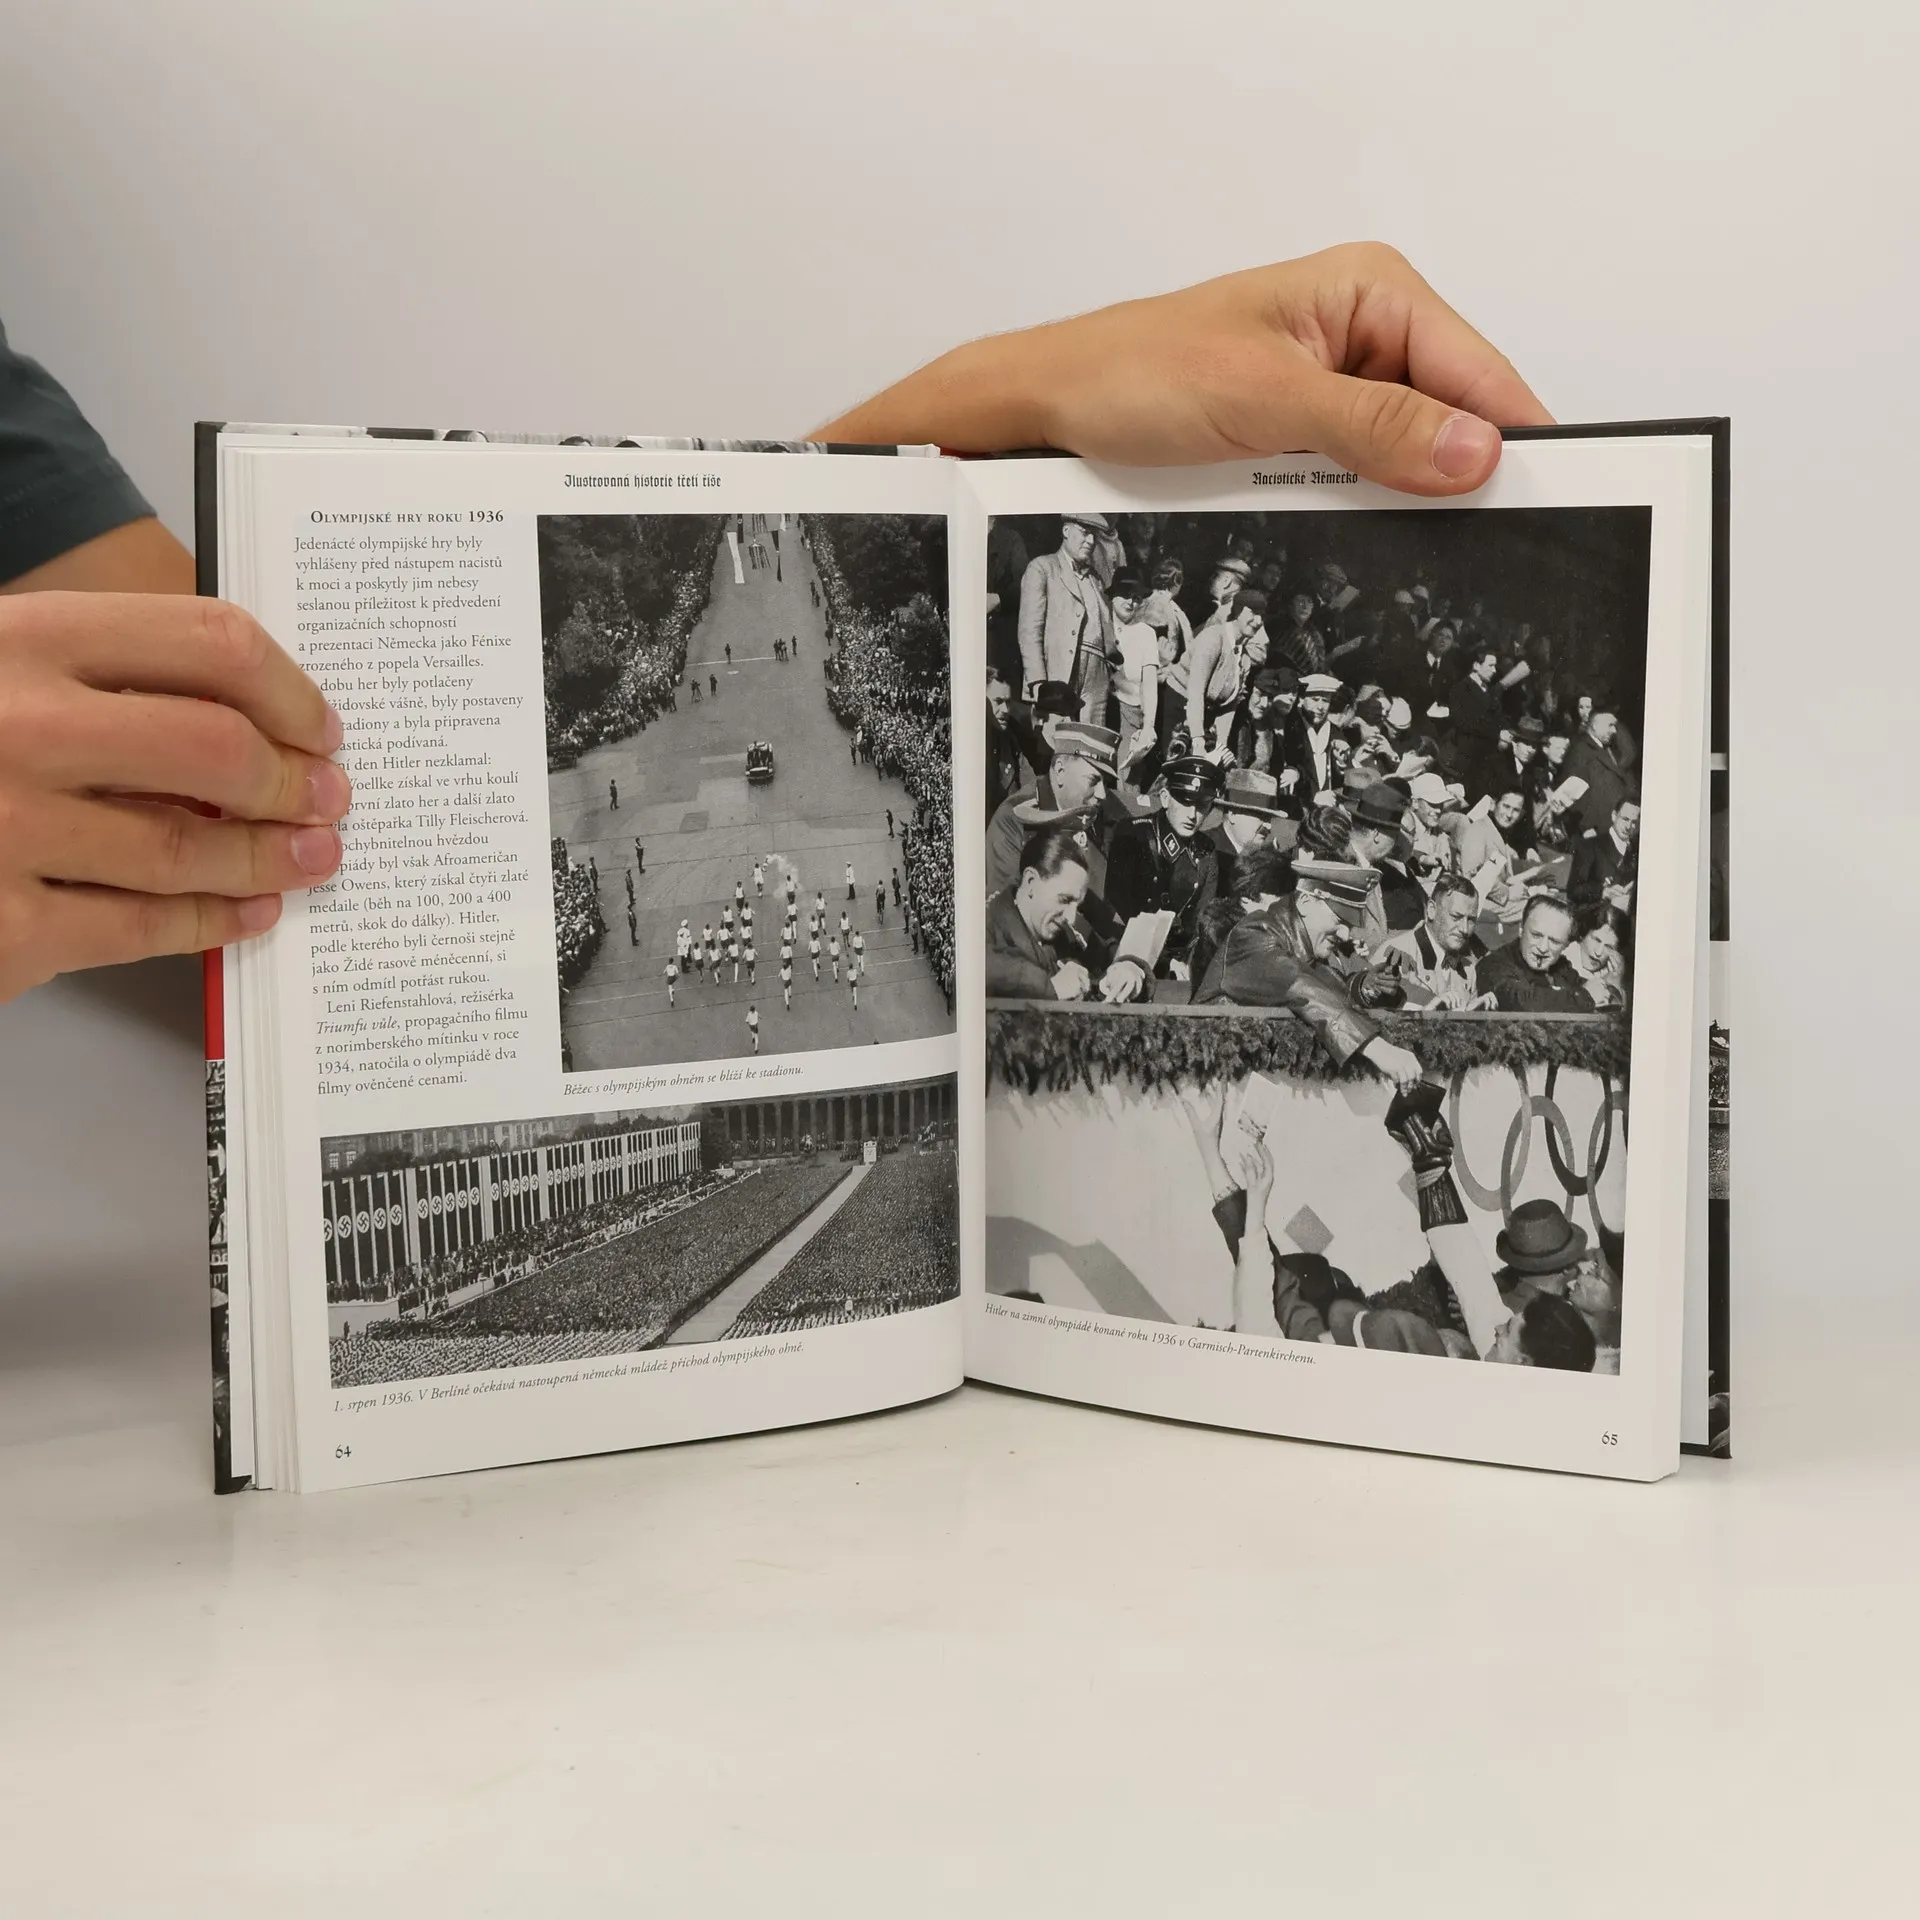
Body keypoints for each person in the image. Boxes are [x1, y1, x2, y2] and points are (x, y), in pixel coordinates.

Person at [1194, 855, 1424, 1087]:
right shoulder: (1254, 934)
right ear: (1305, 902)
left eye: (1350, 925)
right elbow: (1301, 988)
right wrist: (1379, 1050)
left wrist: (1367, 986)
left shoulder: (1299, 946)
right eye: (1338, 919)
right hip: (1205, 1080)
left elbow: (1327, 989)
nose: (1345, 935)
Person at [985, 821, 1150, 1003]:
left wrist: (1129, 971)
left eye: (1077, 905)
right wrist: (1049, 987)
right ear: (1031, 882)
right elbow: (975, 966)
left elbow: (1104, 969)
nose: (1071, 919)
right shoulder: (983, 924)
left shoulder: (1064, 936)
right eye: (1064, 900)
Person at [1103, 755, 1222, 981]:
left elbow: (1203, 922)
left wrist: (1192, 964)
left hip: (1183, 967)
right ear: (1166, 798)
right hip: (1132, 962)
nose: (1192, 815)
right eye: (1185, 802)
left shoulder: (1205, 850)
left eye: (1201, 806)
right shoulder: (1134, 836)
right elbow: (1117, 911)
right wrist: (1166, 962)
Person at [983, 720, 1127, 901]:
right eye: (1093, 781)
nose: (1102, 794)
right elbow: (1006, 906)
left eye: (1106, 783)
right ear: (1060, 770)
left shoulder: (1092, 810)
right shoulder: (1013, 821)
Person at [1016, 510, 1115, 720]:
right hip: (1058, 674)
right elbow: (1029, 631)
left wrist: (1109, 668)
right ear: (1066, 531)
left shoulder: (1096, 579)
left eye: (1094, 536)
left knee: (1091, 738)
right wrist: (1038, 683)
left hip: (1096, 679)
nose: (1091, 541)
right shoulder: (1042, 568)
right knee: (1058, 736)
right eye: (1085, 532)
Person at [1372, 874, 1487, 1008]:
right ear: (1431, 910)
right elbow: (1370, 1016)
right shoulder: (1394, 954)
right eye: (1456, 917)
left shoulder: (1469, 970)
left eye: (1471, 920)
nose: (1464, 929)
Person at [1476, 891, 1588, 1011]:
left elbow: (1586, 986)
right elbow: (1521, 1002)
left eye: (1554, 941)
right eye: (1536, 935)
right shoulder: (1494, 965)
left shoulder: (1560, 968)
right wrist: (1583, 997)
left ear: (1566, 945)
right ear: (1521, 929)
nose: (1543, 948)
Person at [1563, 710, 1637, 836]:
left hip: (1610, 829)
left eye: (1614, 726)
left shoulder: (1606, 749)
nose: (1614, 731)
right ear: (1595, 725)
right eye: (1610, 725)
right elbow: (1574, 794)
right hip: (1594, 832)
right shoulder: (1580, 750)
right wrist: (1588, 828)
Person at [1568, 796, 1639, 911]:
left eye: (1634, 822)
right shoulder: (1589, 846)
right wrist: (1603, 892)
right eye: (1625, 819)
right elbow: (1573, 891)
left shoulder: (1637, 852)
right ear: (1614, 816)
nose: (1628, 826)